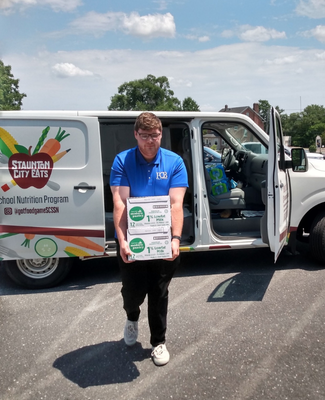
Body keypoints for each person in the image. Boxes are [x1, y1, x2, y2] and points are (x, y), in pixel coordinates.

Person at [110, 112, 188, 366]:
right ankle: (132, 317)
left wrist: (175, 239)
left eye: (155, 135)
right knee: (131, 292)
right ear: (135, 135)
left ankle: (158, 342)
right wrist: (122, 240)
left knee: (159, 293)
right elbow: (120, 202)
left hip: (162, 241)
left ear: (160, 135)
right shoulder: (122, 161)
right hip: (133, 242)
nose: (150, 141)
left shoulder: (174, 162)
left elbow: (176, 203)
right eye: (144, 136)